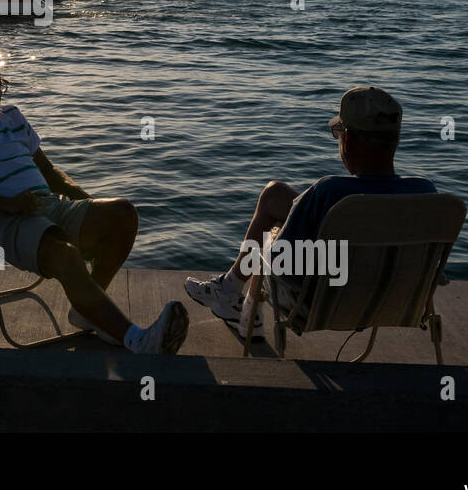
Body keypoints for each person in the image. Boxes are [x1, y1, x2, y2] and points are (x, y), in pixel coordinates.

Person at [0, 53, 188, 354]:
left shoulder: (12, 116)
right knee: (63, 253)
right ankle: (135, 339)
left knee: (122, 213)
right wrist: (9, 204)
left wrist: (86, 201)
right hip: (0, 220)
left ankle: (87, 310)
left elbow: (49, 172)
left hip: (47, 206)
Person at [184, 87, 437, 337]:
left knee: (269, 241)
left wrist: (273, 237)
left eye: (338, 133)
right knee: (276, 194)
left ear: (347, 140)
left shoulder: (329, 191)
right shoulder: (425, 194)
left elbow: (283, 266)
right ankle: (229, 293)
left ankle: (234, 297)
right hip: (394, 304)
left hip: (317, 307)